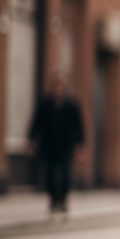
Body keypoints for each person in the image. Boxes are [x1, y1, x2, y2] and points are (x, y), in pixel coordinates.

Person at [27, 74, 85, 218]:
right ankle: (53, 200)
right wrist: (32, 140)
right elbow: (36, 123)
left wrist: (80, 146)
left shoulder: (71, 105)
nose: (59, 90)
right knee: (49, 176)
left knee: (65, 175)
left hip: (65, 147)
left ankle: (63, 200)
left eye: (61, 87)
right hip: (48, 146)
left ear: (65, 89)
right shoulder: (45, 104)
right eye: (56, 87)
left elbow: (78, 126)